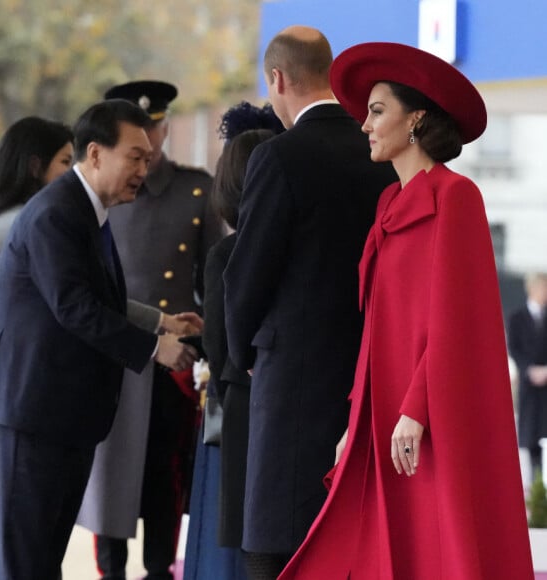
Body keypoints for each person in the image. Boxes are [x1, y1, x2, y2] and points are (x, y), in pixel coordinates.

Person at [279, 42, 534, 580]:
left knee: (431, 543)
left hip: (428, 410)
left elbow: (455, 319)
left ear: (415, 117)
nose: (366, 126)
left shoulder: (456, 197)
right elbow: (377, 325)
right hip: (382, 408)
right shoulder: (387, 204)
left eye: (377, 111)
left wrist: (416, 409)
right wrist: (357, 415)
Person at [0, 99, 199, 580]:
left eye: (147, 156)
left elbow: (104, 299)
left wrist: (162, 323)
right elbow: (75, 307)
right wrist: (157, 349)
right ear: (94, 154)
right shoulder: (56, 213)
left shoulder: (89, 210)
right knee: (22, 564)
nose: (145, 166)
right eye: (134, 156)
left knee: (42, 560)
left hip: (61, 419)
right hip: (26, 416)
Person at [223, 26, 397, 579]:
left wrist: (240, 350)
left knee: (276, 541)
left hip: (291, 375)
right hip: (371, 366)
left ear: (276, 79)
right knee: (351, 533)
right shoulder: (381, 151)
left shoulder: (280, 156)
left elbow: (247, 271)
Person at [76, 80, 222, 580]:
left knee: (165, 474)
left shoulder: (196, 189)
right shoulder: (98, 194)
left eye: (157, 127)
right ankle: (110, 572)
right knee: (111, 475)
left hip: (173, 360)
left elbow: (211, 281)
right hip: (115, 354)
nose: (152, 140)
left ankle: (160, 570)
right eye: (141, 132)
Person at [0, 116, 74, 580]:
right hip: (7, 378)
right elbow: (73, 294)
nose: (72, 174)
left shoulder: (13, 217)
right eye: (65, 162)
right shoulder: (25, 221)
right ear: (35, 166)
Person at [185, 102, 284, 580]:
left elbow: (220, 350)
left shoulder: (227, 253)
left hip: (243, 418)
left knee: (251, 550)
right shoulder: (302, 247)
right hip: (297, 417)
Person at [508, 272, 547, 476]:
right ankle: (536, 485)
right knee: (532, 438)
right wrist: (529, 370)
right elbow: (514, 348)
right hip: (529, 386)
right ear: (532, 289)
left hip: (546, 386)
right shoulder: (517, 317)